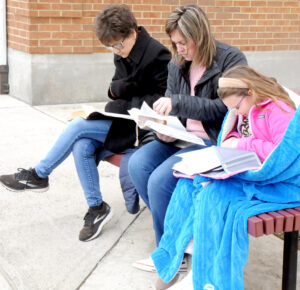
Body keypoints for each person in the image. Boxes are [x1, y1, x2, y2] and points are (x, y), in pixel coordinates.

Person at [0, 4, 171, 242]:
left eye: (118, 44)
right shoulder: (121, 49)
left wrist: (123, 93)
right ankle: (97, 207)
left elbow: (160, 101)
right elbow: (114, 90)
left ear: (133, 32)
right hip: (123, 120)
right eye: (110, 46)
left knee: (79, 127)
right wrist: (118, 93)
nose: (115, 50)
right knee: (81, 145)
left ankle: (39, 174)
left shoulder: (158, 54)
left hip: (143, 128)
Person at [151, 65, 297, 289]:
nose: (236, 113)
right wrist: (233, 139)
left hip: (281, 182)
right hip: (250, 173)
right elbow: (239, 132)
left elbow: (282, 151)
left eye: (236, 107)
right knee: (189, 183)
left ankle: (208, 277)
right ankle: (192, 263)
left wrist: (241, 143)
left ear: (250, 91)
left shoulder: (278, 109)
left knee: (215, 195)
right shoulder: (247, 107)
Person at [128, 4, 247, 276]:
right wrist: (163, 128)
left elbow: (225, 108)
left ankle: (172, 250)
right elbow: (174, 107)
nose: (179, 49)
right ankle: (179, 238)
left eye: (183, 42)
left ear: (200, 34)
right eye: (175, 43)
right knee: (137, 164)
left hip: (214, 141)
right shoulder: (177, 63)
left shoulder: (230, 59)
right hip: (181, 137)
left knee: (160, 181)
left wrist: (178, 104)